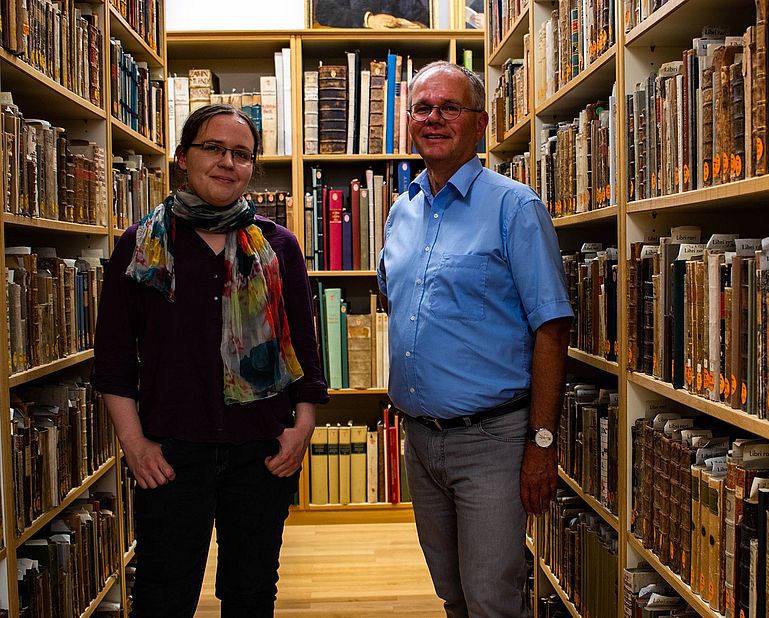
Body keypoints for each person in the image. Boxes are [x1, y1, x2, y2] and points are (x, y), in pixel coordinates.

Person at [92, 104, 328, 617]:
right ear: (181, 157)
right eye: (213, 149)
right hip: (170, 458)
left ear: (252, 168)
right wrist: (133, 445)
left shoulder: (279, 246)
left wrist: (301, 428)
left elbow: (307, 356)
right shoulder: (141, 246)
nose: (228, 162)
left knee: (251, 594)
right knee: (163, 596)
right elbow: (112, 360)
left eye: (241, 154)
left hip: (262, 453)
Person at [377, 61, 573, 617]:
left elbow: (552, 328)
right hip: (419, 441)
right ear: (408, 120)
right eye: (422, 108)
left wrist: (540, 445)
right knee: (453, 594)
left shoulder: (516, 207)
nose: (433, 118)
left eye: (449, 108)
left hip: (492, 442)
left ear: (480, 123)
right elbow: (398, 297)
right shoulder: (401, 211)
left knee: (492, 600)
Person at [313, 0, 430, 28]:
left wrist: (406, 23)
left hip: (400, 45)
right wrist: (368, 20)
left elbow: (424, 18)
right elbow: (325, 12)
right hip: (354, 45)